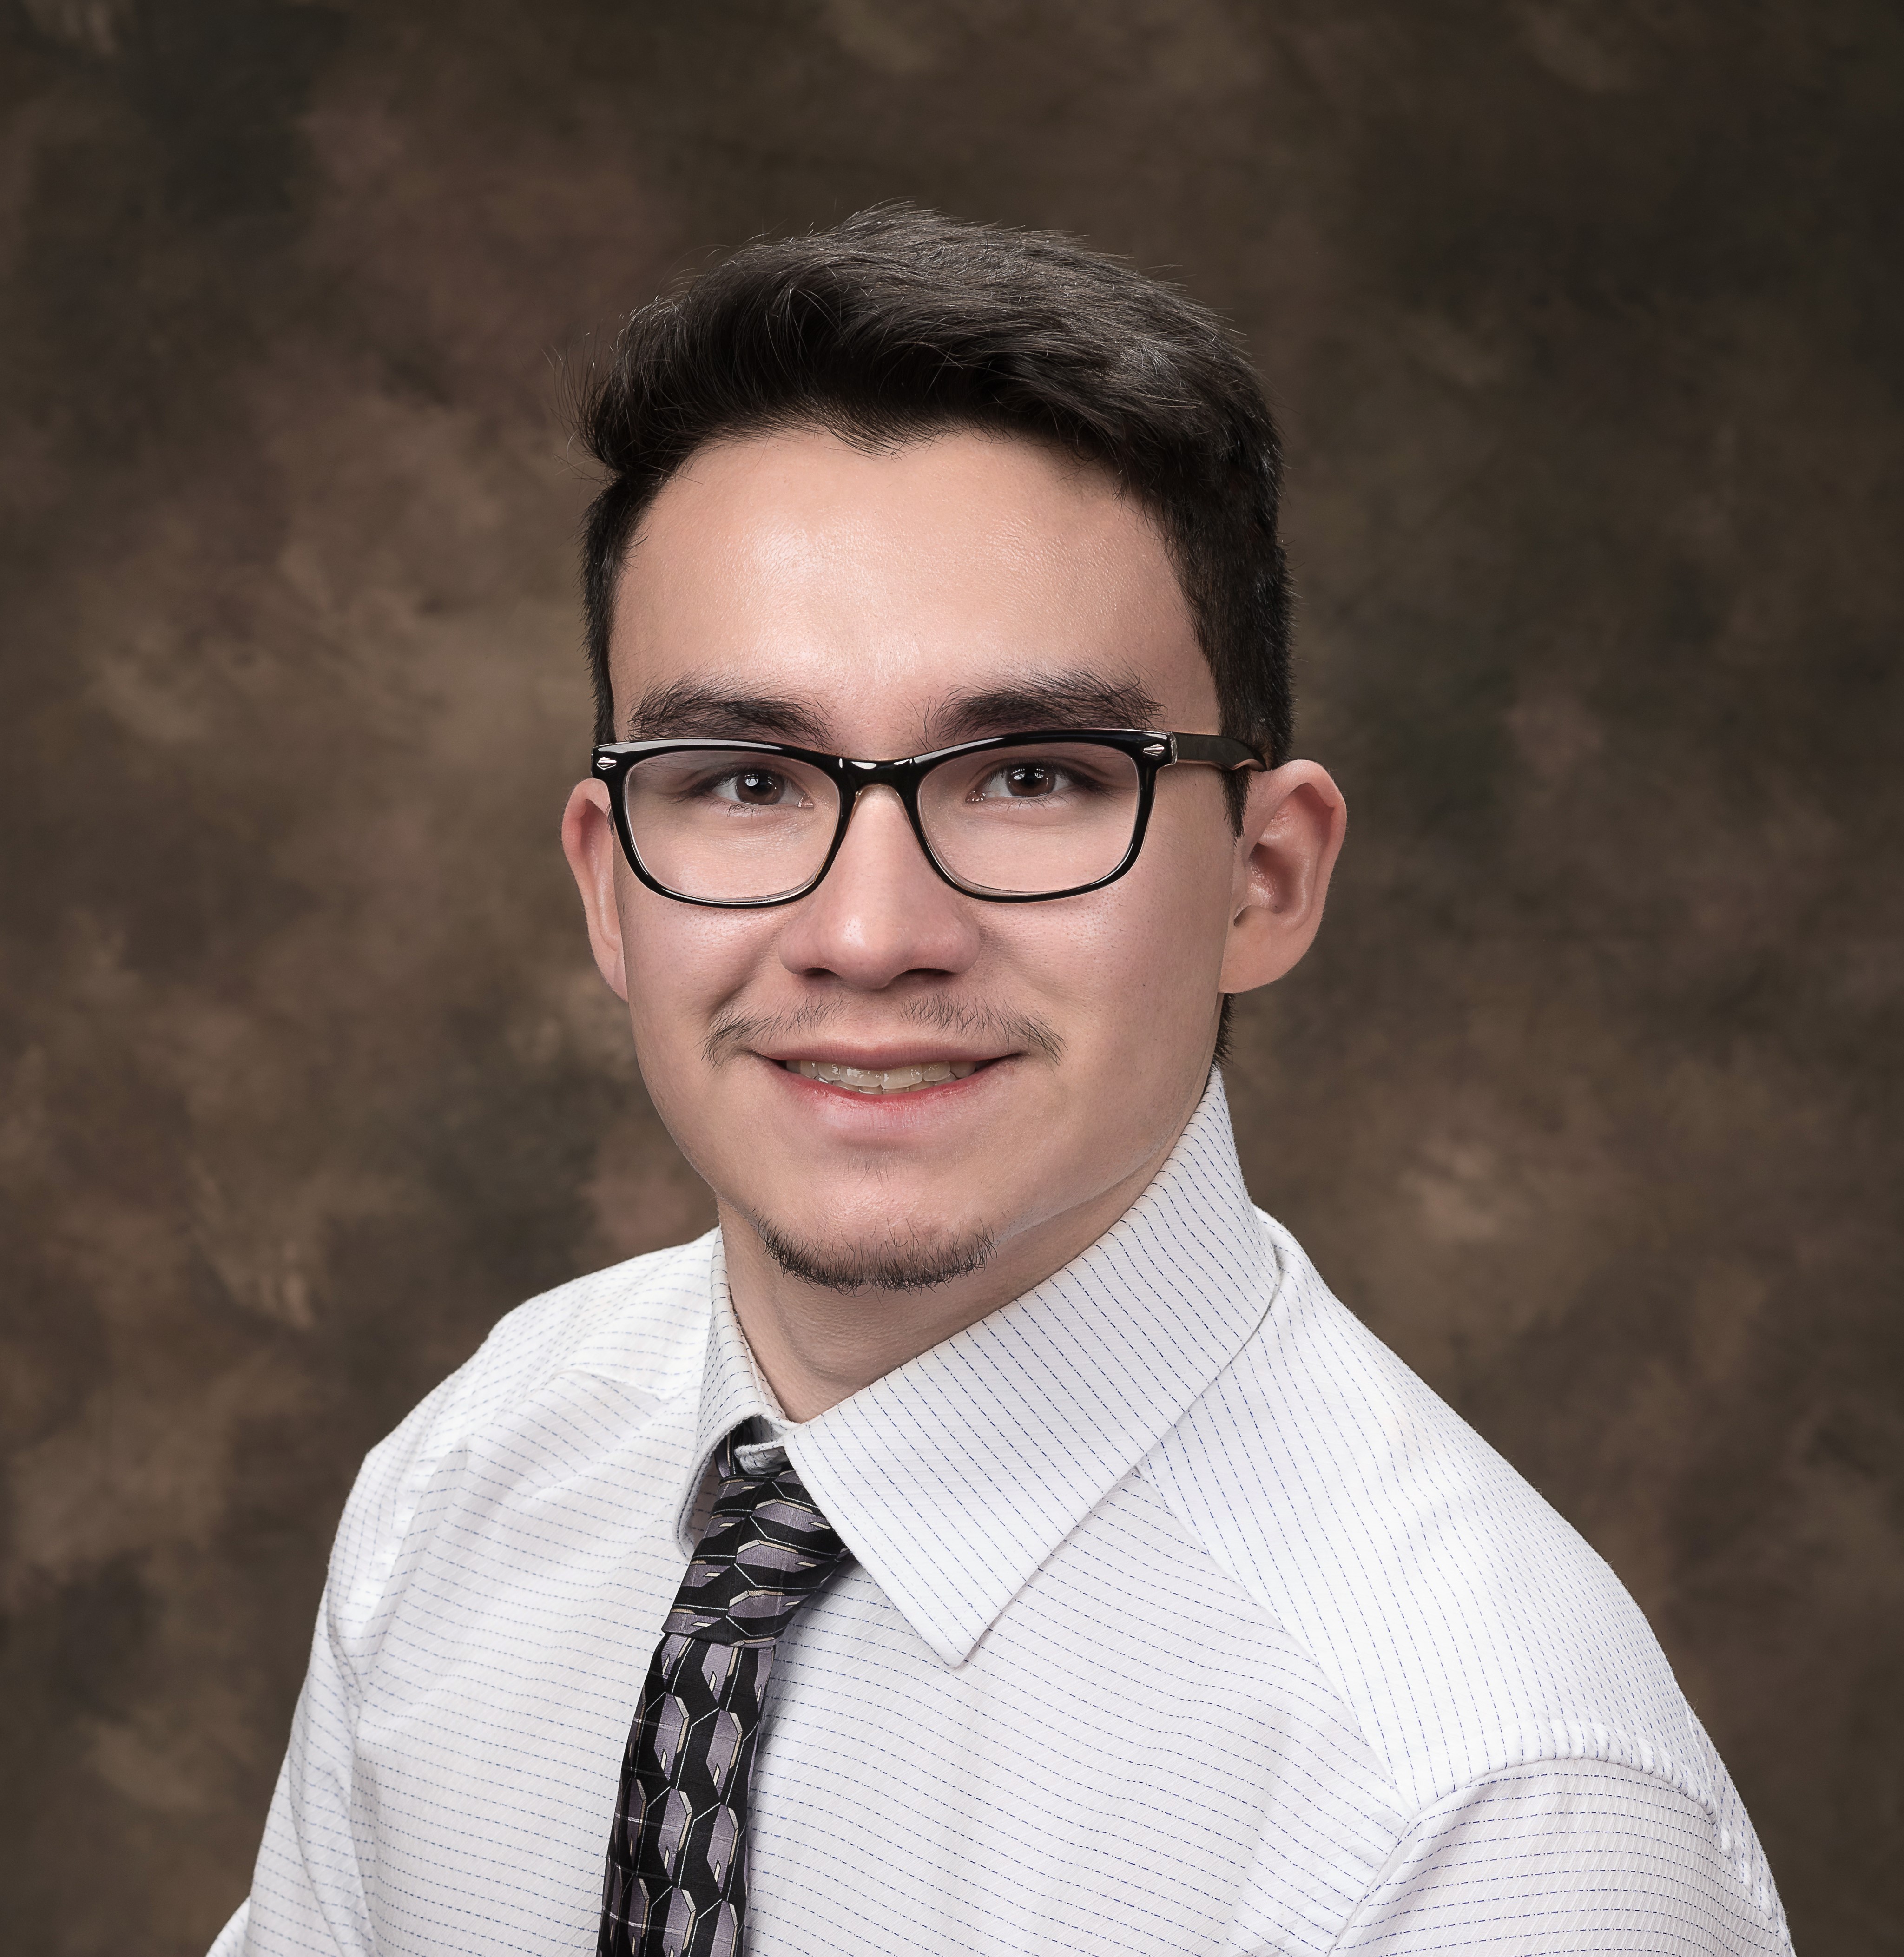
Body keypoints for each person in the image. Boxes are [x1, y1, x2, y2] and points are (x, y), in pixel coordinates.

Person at [211, 207, 1789, 1957]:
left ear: (1264, 875)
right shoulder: (480, 1466)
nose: (868, 930)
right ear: (607, 881)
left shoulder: (1487, 1811)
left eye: (1030, 775)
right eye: (743, 781)